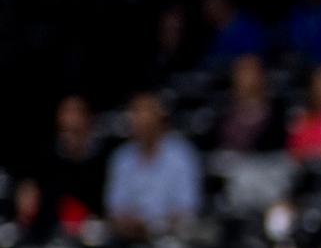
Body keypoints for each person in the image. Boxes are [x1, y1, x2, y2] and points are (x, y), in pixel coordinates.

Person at [105, 92, 201, 238]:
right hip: (128, 238)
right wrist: (129, 224)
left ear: (160, 117)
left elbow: (187, 209)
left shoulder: (181, 155)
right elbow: (115, 209)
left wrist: (152, 226)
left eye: (146, 112)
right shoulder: (122, 157)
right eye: (135, 113)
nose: (141, 120)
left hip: (170, 239)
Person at [211, 54, 290, 210]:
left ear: (262, 77)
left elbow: (279, 153)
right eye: (241, 72)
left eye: (251, 72)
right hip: (233, 175)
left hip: (268, 173)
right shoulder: (223, 115)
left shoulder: (277, 113)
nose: (247, 78)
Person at [39, 95, 107, 228]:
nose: (72, 120)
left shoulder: (103, 156)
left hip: (94, 228)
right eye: (67, 112)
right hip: (56, 229)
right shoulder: (48, 157)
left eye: (77, 112)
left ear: (89, 118)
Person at [201, 0, 268, 66]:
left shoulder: (247, 26)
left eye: (212, 3)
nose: (207, 9)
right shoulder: (216, 33)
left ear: (224, 2)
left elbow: (254, 57)